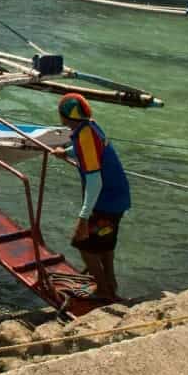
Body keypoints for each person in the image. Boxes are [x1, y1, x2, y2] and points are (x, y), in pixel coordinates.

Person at [52, 92, 131, 302]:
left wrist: (83, 217)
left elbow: (95, 181)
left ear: (65, 117)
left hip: (105, 201)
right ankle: (111, 283)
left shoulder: (85, 135)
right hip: (118, 198)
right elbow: (88, 150)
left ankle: (104, 291)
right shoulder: (90, 126)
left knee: (83, 243)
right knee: (104, 243)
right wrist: (67, 152)